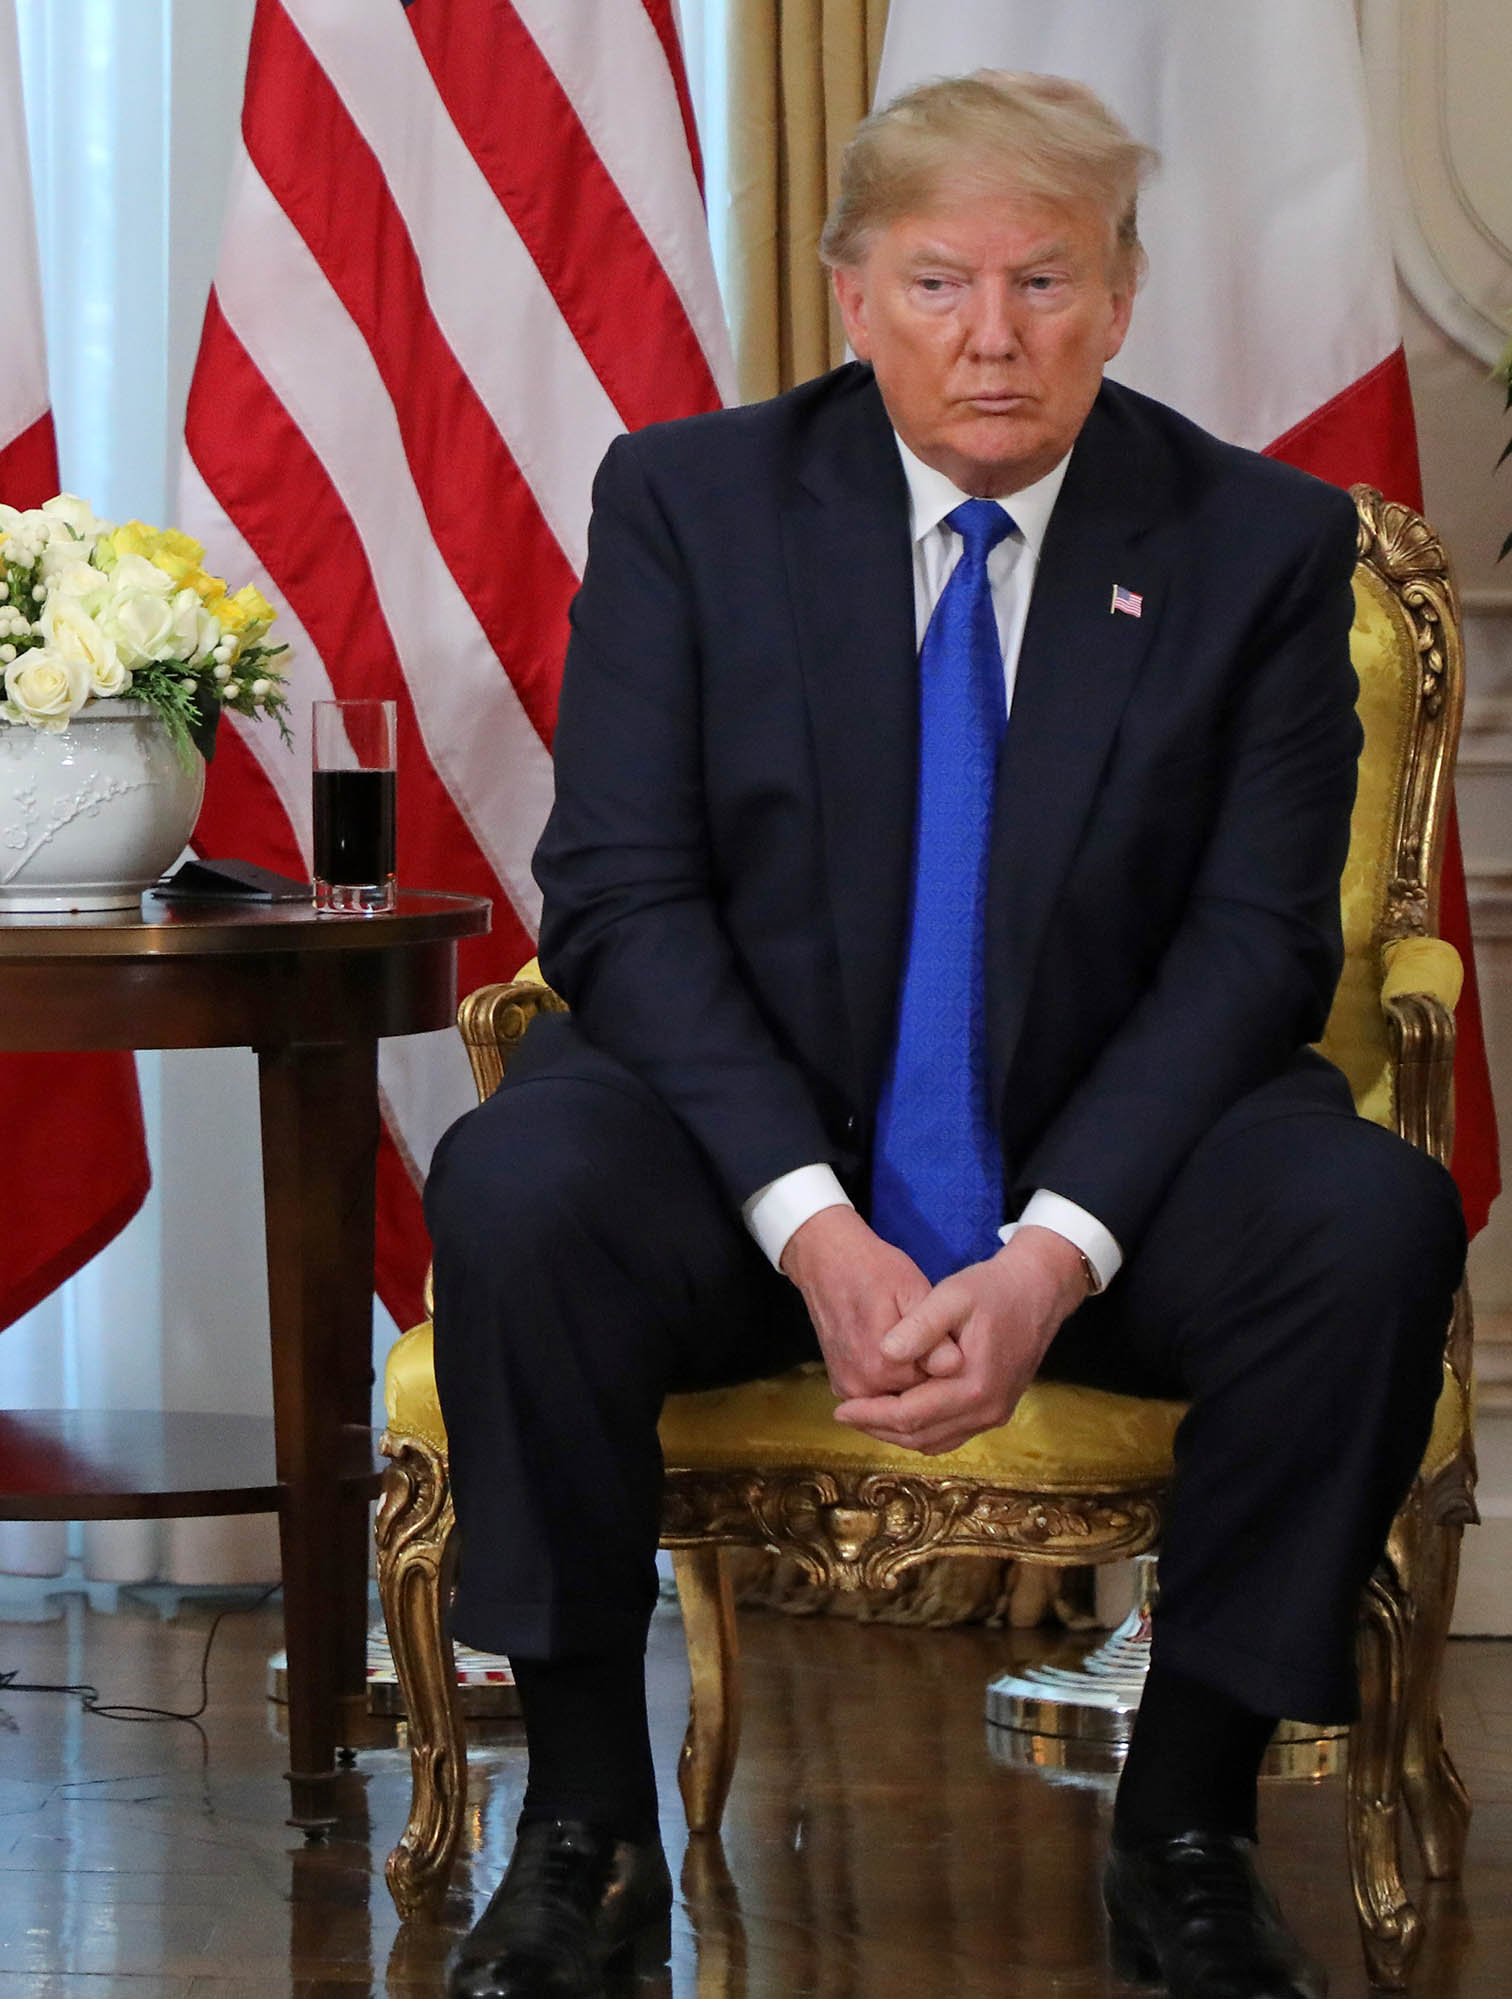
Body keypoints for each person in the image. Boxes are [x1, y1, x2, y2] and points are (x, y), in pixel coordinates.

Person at [424, 70, 1461, 1999]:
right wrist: (815, 1226)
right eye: (941, 284)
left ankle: (1189, 1828)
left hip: (1107, 1170)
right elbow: (622, 901)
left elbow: (1250, 951)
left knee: (1365, 1224)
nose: (996, 337)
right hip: (757, 1178)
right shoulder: (694, 503)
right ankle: (581, 1829)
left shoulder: (1255, 541)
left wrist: (1055, 1253)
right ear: (850, 298)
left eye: (1048, 281)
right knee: (522, 1182)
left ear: (1126, 298)